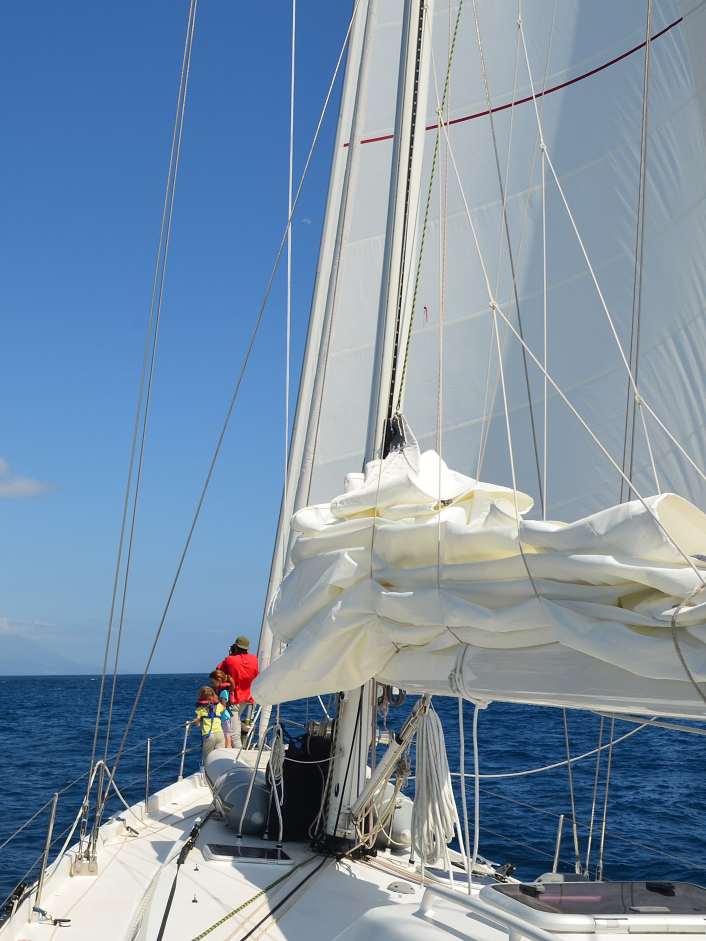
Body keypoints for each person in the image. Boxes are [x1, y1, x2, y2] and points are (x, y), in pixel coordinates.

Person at [217, 636, 259, 745]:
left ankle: (237, 755)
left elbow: (218, 671)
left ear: (236, 646)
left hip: (235, 698)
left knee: (234, 733)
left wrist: (231, 655)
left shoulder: (230, 660)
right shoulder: (255, 659)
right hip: (249, 697)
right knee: (237, 721)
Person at [193, 686, 226, 759]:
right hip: (220, 733)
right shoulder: (218, 706)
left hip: (208, 735)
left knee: (207, 757)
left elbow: (197, 724)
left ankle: (207, 770)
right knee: (220, 756)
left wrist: (197, 721)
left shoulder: (200, 709)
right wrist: (222, 700)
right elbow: (224, 708)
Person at [209, 669, 234, 748]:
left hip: (224, 717)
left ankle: (228, 749)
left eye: (212, 682)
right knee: (224, 734)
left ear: (219, 681)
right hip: (221, 717)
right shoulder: (218, 691)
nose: (211, 684)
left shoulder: (223, 692)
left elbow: (223, 706)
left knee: (227, 735)